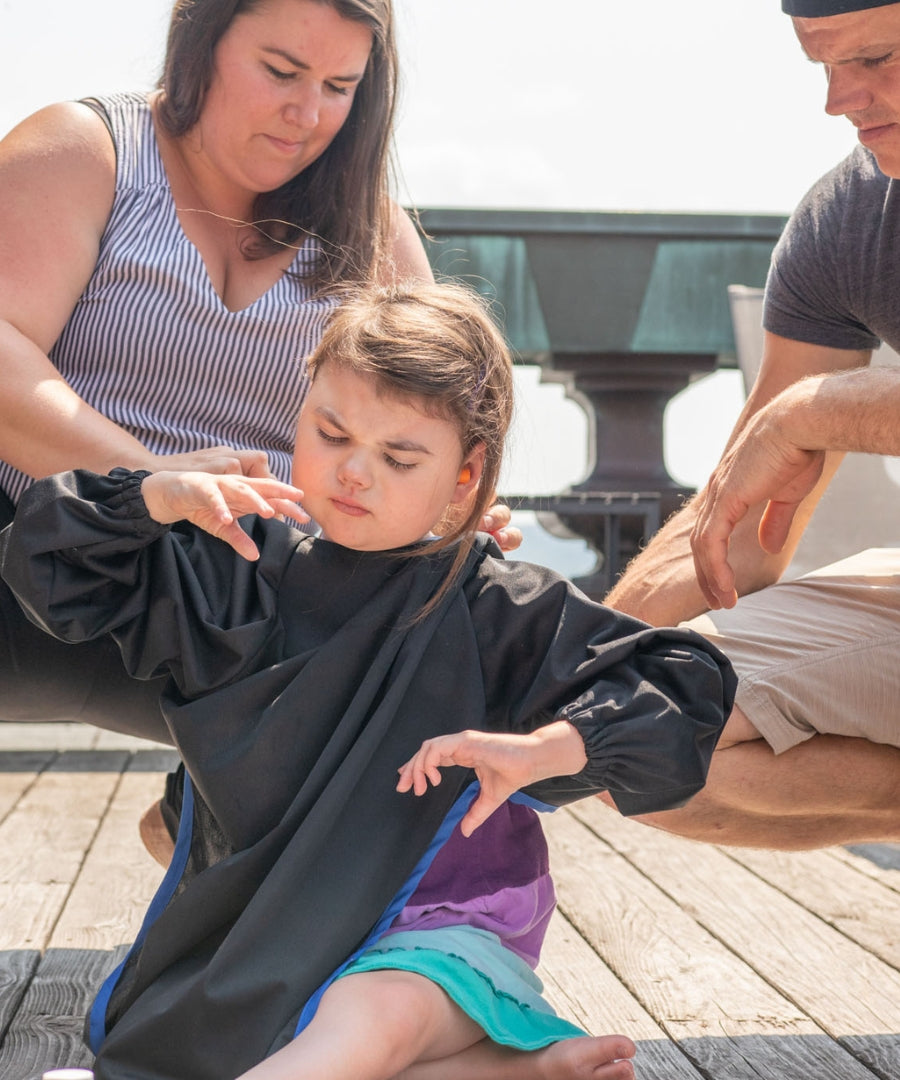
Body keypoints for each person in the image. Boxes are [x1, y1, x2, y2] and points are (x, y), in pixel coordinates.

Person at [0, 281, 735, 1080]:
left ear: (465, 476)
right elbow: (45, 572)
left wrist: (547, 750)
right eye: (331, 431)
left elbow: (682, 684)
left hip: (434, 933)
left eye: (399, 457)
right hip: (262, 931)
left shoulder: (498, 606)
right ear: (299, 414)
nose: (354, 473)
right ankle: (516, 1072)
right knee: (285, 1037)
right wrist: (149, 495)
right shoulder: (237, 572)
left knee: (375, 1016)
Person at [0, 0, 520, 743]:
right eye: (281, 71)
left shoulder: (376, 235)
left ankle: (217, 831)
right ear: (201, 41)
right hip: (44, 562)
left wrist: (447, 509)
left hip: (256, 610)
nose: (305, 114)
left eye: (339, 87)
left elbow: (440, 423)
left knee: (457, 651)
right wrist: (158, 488)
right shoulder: (84, 151)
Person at [603, 0, 900, 850]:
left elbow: (800, 422)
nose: (840, 101)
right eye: (825, 67)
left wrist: (818, 411)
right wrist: (567, 670)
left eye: (877, 59)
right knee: (626, 728)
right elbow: (737, 531)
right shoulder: (848, 224)